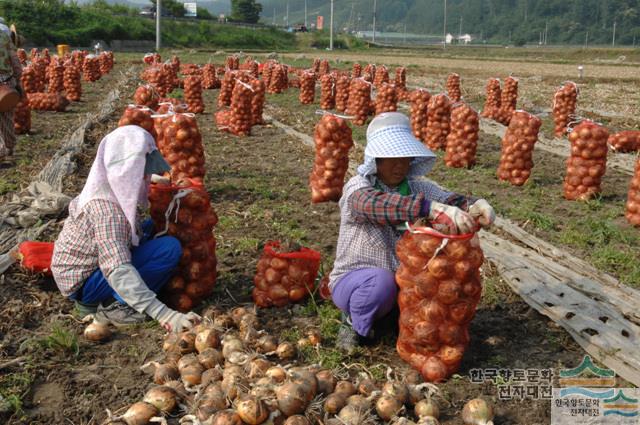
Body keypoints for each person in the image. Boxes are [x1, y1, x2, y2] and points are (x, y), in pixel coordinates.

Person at [328, 112, 496, 352]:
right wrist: (429, 208)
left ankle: (392, 322)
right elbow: (374, 204)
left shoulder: (416, 187)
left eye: (405, 158)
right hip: (356, 281)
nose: (400, 165)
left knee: (436, 288)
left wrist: (475, 205)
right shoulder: (359, 186)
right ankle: (353, 324)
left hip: (402, 284)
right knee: (380, 283)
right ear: (376, 160)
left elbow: (449, 198)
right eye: (391, 158)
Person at [51, 126, 200, 332]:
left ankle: (121, 297)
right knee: (168, 248)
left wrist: (155, 181)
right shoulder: (107, 212)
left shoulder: (104, 182)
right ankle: (116, 306)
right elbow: (117, 269)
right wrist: (164, 314)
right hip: (86, 282)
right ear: (130, 169)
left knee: (153, 228)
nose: (146, 175)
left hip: (89, 266)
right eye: (142, 170)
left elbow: (128, 179)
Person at [0, 17, 23, 162]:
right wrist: (17, 78)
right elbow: (15, 62)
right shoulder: (5, 38)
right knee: (6, 116)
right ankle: (9, 146)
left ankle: (1, 150)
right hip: (6, 82)